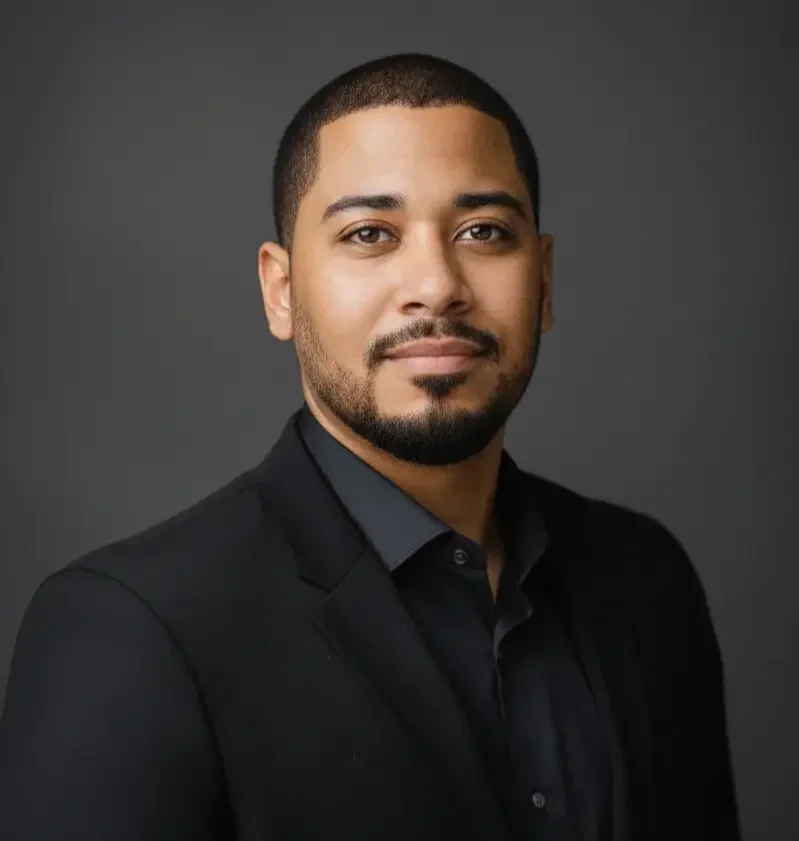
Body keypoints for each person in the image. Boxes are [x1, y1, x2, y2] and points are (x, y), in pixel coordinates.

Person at [0, 52, 740, 841]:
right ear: (280, 291)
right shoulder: (127, 630)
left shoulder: (645, 578)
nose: (436, 283)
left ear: (545, 281)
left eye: (483, 231)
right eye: (369, 233)